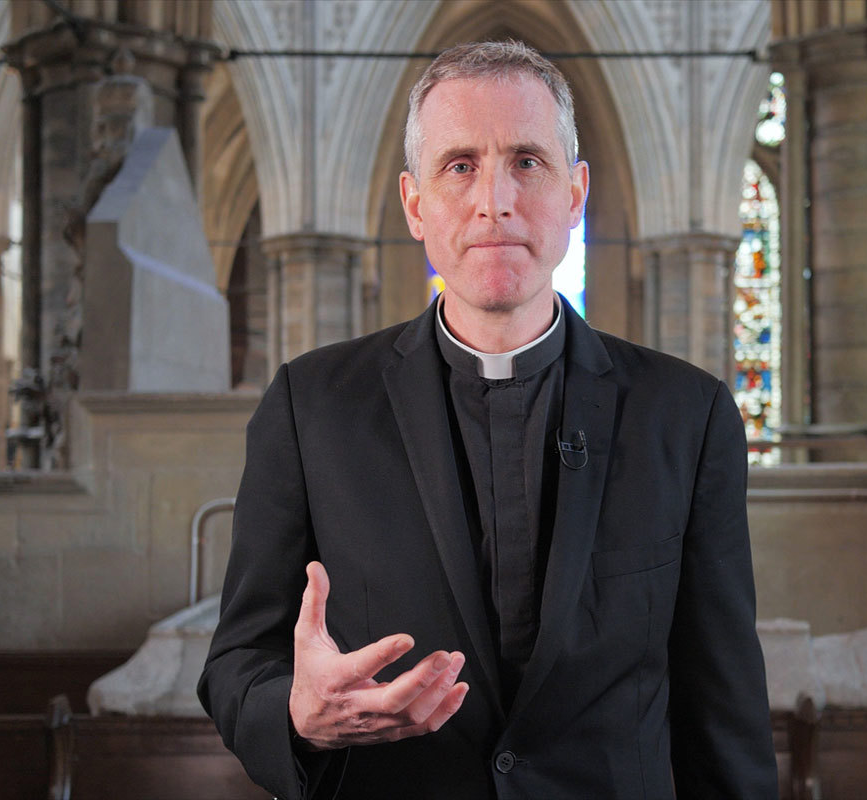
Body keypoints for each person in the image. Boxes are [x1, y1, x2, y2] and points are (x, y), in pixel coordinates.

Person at [198, 40, 779, 799]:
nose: (493, 200)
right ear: (415, 204)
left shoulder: (686, 415)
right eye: (460, 164)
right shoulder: (311, 407)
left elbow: (724, 713)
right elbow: (238, 664)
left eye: (528, 162)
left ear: (576, 194)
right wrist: (298, 715)